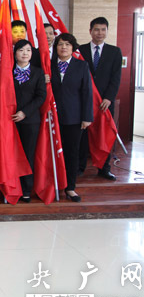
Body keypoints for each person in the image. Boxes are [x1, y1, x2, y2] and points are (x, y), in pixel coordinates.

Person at [78, 17, 122, 180]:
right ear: (90, 31)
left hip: (104, 102)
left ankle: (104, 168)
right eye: (96, 29)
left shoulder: (115, 52)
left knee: (104, 134)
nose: (100, 33)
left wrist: (109, 98)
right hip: (84, 101)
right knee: (82, 136)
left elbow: (116, 78)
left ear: (107, 31)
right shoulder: (80, 50)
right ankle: (79, 167)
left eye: (103, 29)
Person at [51, 33, 93, 202]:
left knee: (71, 152)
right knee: (51, 153)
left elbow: (87, 92)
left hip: (74, 118)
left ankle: (70, 187)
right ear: (56, 47)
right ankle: (52, 185)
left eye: (67, 44)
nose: (64, 47)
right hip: (51, 118)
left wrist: (86, 117)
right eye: (61, 44)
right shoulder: (48, 65)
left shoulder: (81, 66)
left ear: (73, 48)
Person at [12, 40, 47, 202]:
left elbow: (41, 96)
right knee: (11, 154)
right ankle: (12, 186)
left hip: (30, 121)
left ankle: (26, 188)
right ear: (15, 53)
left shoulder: (38, 72)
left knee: (27, 154)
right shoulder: (6, 71)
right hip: (10, 120)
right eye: (21, 50)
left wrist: (24, 112)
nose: (25, 53)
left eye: (28, 50)